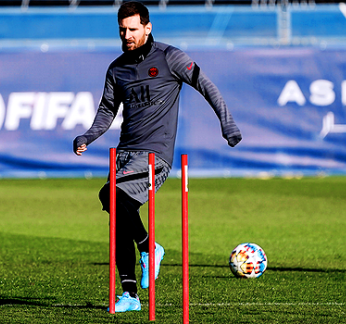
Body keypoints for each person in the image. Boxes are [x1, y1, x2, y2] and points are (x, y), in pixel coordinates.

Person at [73, 1, 242, 313]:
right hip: (123, 155)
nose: (127, 35)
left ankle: (150, 248)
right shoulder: (117, 68)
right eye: (122, 30)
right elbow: (106, 111)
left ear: (147, 28)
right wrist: (88, 136)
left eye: (133, 29)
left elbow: (207, 87)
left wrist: (227, 123)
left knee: (110, 195)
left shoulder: (170, 57)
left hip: (155, 156)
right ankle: (130, 296)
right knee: (118, 216)